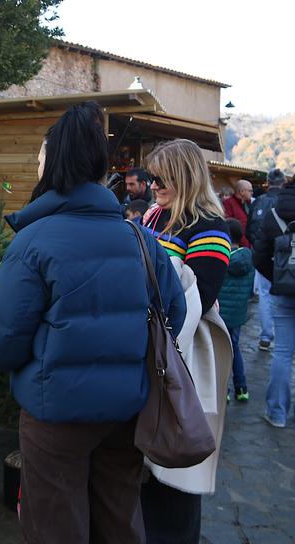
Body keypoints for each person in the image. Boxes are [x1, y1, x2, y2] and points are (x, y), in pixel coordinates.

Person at [0, 101, 186, 544]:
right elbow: (174, 315)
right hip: (128, 412)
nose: (36, 163)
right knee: (119, 520)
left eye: (40, 155)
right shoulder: (140, 239)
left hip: (56, 416)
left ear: (56, 164)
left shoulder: (34, 241)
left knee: (56, 526)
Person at [141, 138, 232, 544]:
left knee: (175, 465)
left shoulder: (211, 226)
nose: (153, 183)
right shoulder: (155, 215)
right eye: (152, 175)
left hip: (182, 359)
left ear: (186, 175)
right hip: (150, 351)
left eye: (163, 176)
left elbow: (198, 298)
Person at [252, 174, 295, 428]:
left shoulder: (274, 213)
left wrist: (278, 279)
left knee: (282, 353)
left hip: (284, 292)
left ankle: (277, 414)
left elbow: (259, 257)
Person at [248, 168, 288, 352]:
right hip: (285, 259)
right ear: (283, 182)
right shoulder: (286, 202)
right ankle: (283, 338)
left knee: (264, 295)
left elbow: (249, 227)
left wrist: (257, 246)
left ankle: (265, 336)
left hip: (262, 255)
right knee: (282, 298)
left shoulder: (260, 202)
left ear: (267, 181)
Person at [217, 218, 254, 402]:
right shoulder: (248, 257)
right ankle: (242, 388)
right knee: (235, 349)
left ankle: (224, 390)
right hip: (238, 314)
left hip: (222, 314)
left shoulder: (221, 258)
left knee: (221, 352)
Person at [222, 179, 253, 248]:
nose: (252, 193)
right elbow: (231, 227)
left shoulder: (249, 204)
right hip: (237, 247)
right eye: (250, 190)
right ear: (241, 192)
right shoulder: (228, 204)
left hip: (250, 245)